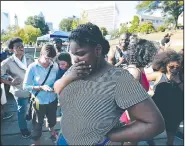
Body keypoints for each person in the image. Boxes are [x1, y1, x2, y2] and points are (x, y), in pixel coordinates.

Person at [54, 22, 165, 145]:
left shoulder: (119, 79)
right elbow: (57, 89)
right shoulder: (75, 70)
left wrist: (111, 135)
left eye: (80, 54)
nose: (75, 59)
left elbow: (154, 123)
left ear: (97, 50)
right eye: (73, 53)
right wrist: (69, 77)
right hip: (64, 139)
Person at [23, 44, 59, 145]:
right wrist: (40, 88)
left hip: (52, 99)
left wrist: (56, 87)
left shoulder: (54, 65)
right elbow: (25, 86)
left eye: (51, 59)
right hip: (39, 101)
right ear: (41, 54)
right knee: (37, 124)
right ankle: (37, 142)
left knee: (52, 119)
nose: (49, 61)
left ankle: (52, 131)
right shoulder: (32, 67)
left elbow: (57, 80)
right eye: (47, 58)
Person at [146, 50, 183, 145]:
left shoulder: (181, 77)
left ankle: (169, 143)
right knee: (154, 129)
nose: (174, 69)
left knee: (172, 130)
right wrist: (148, 91)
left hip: (175, 110)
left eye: (177, 67)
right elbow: (140, 78)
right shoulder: (159, 75)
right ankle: (150, 141)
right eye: (171, 67)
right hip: (159, 108)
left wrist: (178, 81)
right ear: (165, 65)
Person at [1, 37, 34, 138]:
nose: (21, 48)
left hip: (32, 89)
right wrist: (10, 83)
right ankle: (23, 129)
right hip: (19, 91)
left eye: (22, 46)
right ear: (11, 50)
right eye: (18, 47)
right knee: (21, 110)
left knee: (31, 106)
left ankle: (29, 114)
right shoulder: (7, 62)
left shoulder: (29, 58)